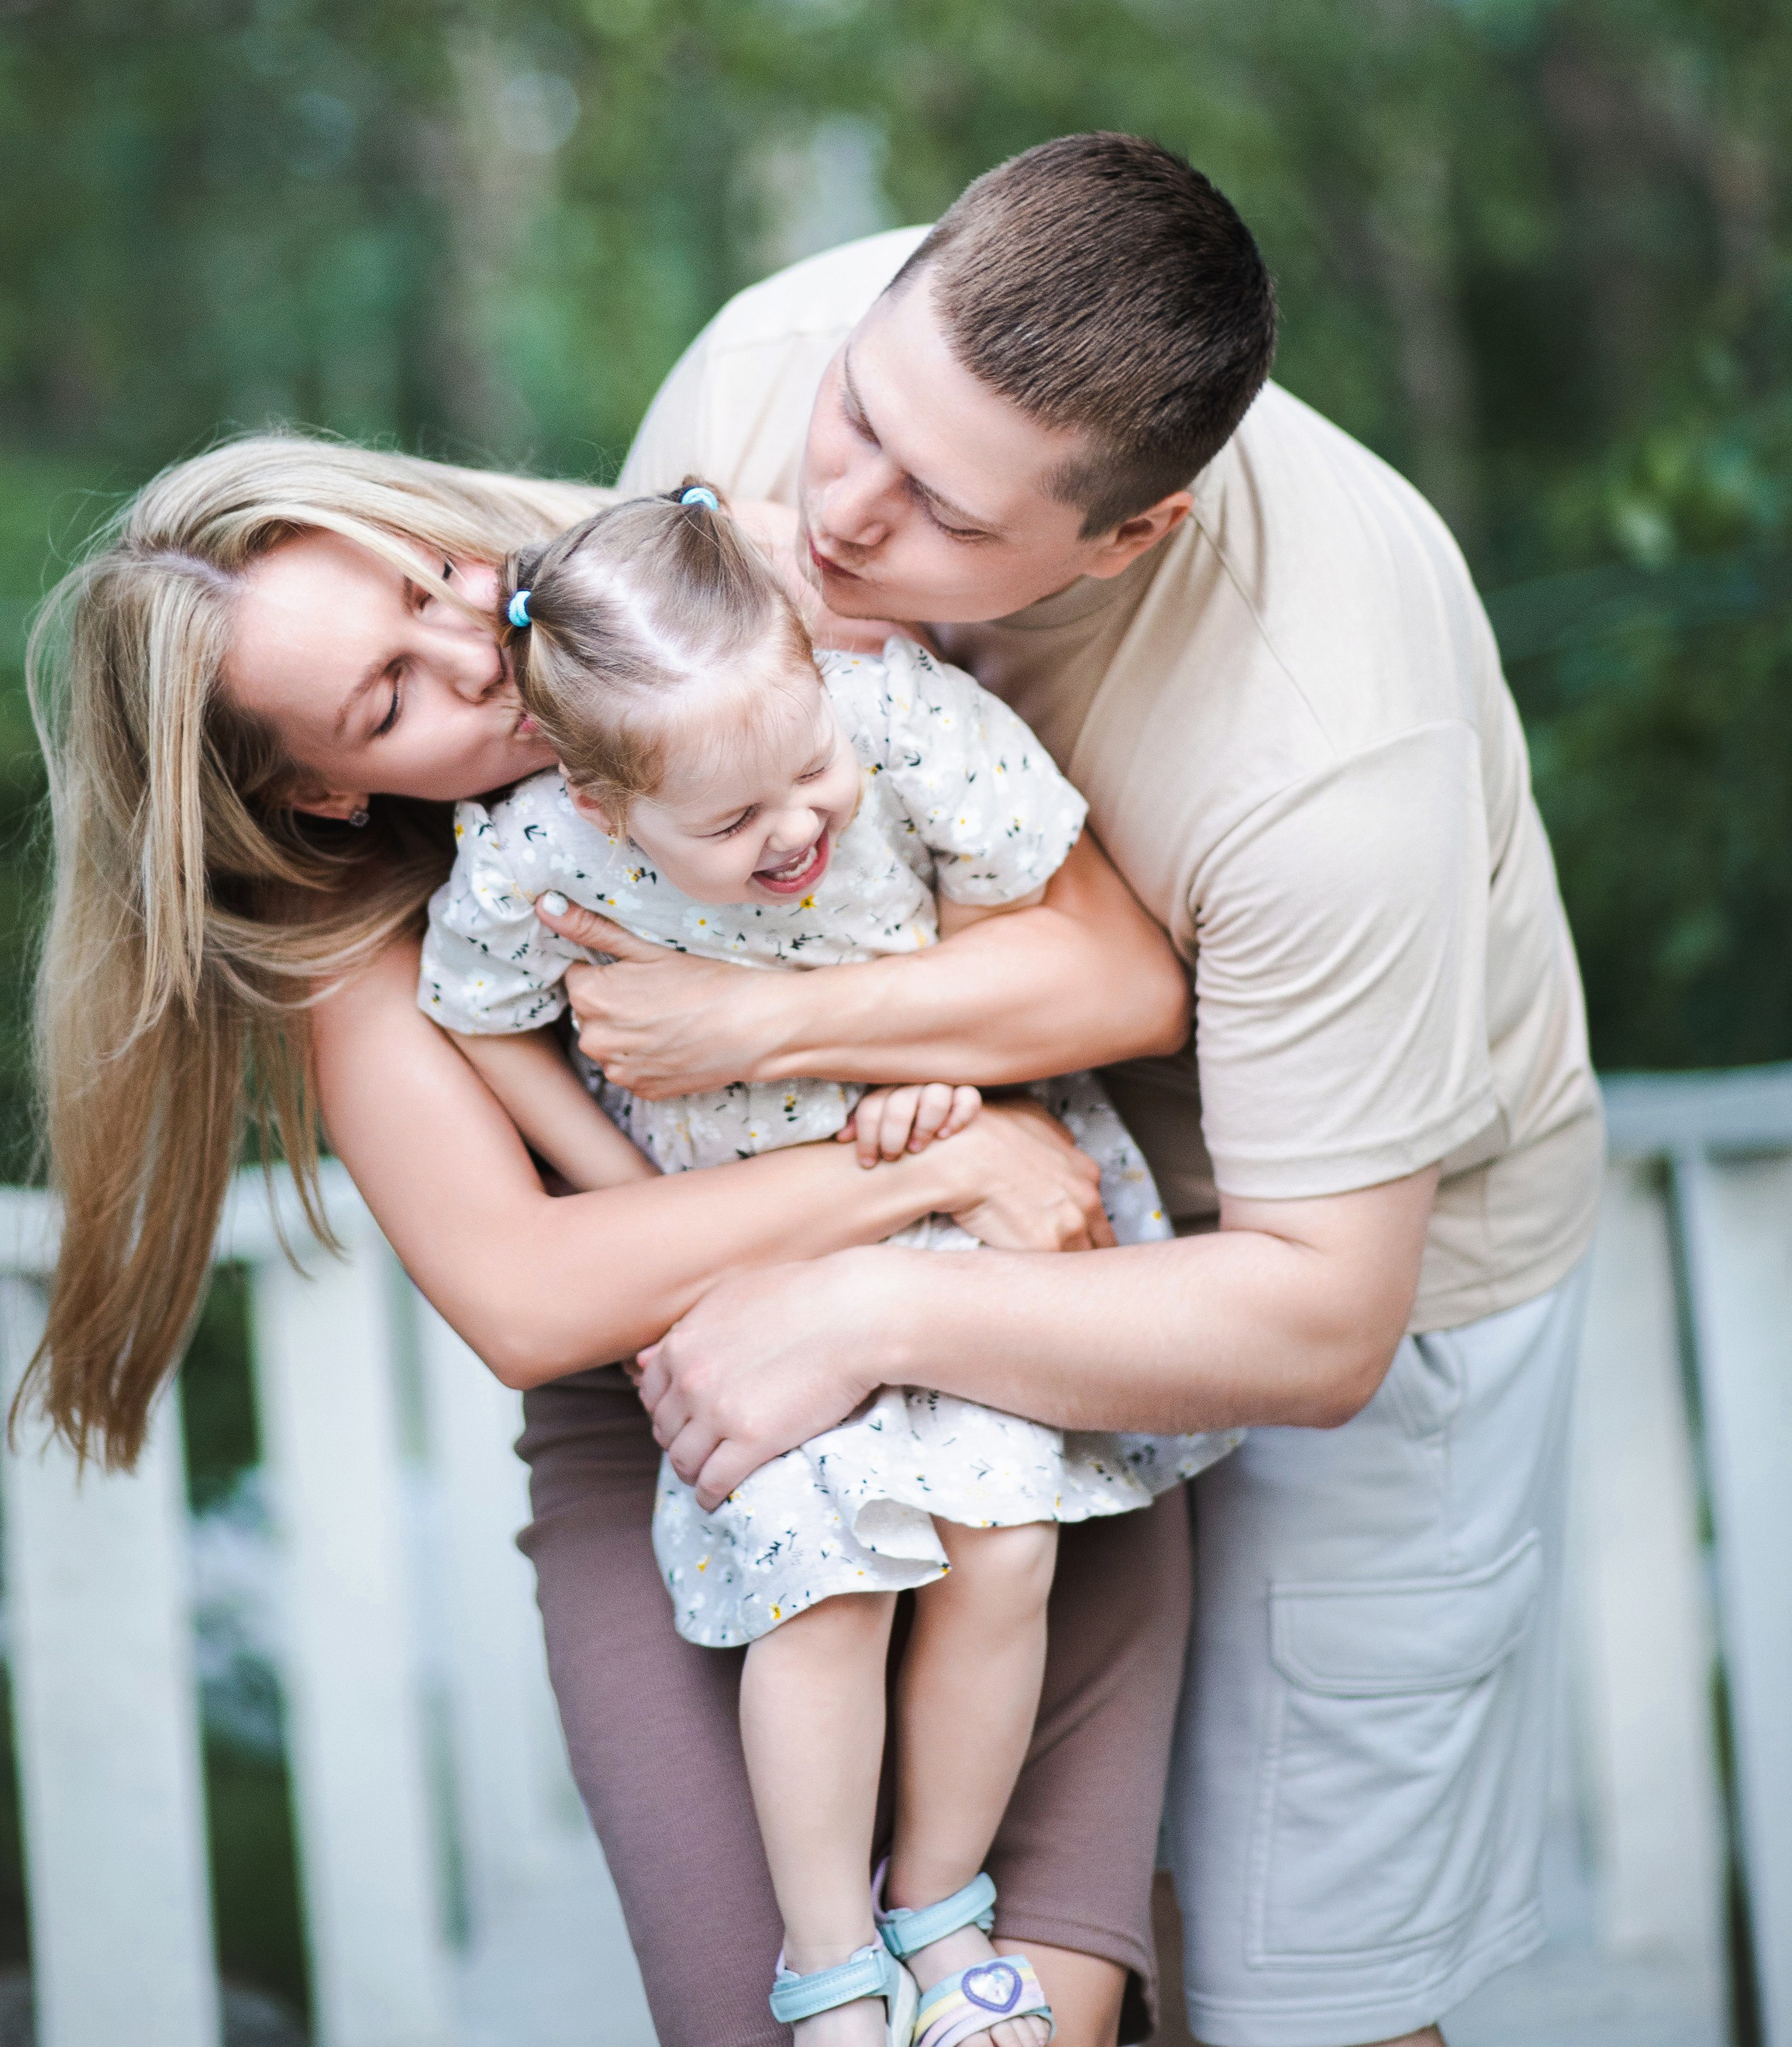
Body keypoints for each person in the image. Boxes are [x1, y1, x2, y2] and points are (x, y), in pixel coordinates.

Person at [580, 129, 1604, 2047]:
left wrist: (862, 1304)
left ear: (1127, 536)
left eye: (943, 513)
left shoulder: (1327, 751)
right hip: (916, 1192)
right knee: (1022, 1949)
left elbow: (1320, 1321)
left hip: (1315, 1267)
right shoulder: (769, 362)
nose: (835, 515)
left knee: (1299, 2000)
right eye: (860, 417)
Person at [24, 429, 1199, 2047]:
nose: (474, 653)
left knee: (1043, 2008)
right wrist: (946, 1156)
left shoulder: (703, 618)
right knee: (757, 2007)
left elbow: (1116, 977)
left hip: (1003, 1355)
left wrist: (755, 1031)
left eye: (433, 582)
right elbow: (530, 1297)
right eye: (390, 700)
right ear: (321, 790)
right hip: (683, 1422)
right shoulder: (360, 937)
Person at [419, 480, 1229, 2047]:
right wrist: (623, 1185)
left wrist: (957, 1078)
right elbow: (472, 1016)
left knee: (1002, 1545)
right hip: (756, 1282)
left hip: (967, 1229)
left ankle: (938, 1909)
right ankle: (831, 1963)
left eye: (809, 775)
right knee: (824, 1574)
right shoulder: (535, 858)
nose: (795, 829)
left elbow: (1021, 936)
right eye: (731, 824)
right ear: (603, 804)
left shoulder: (899, 723)